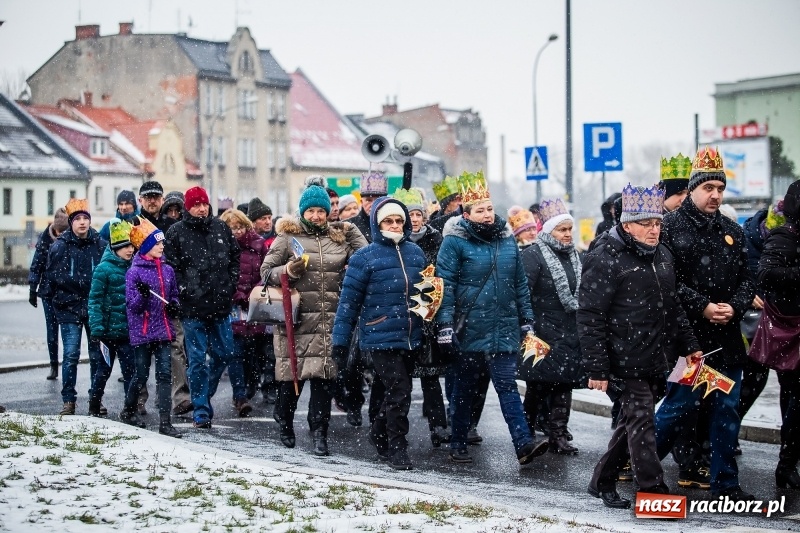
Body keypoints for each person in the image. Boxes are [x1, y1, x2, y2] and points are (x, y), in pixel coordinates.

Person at [579, 183, 701, 509]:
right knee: (643, 422)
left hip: (656, 354)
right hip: (623, 357)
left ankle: (602, 480)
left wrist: (689, 344)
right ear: (627, 223)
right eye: (646, 223)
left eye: (658, 222)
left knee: (633, 422)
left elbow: (673, 305)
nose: (654, 230)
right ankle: (652, 491)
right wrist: (597, 368)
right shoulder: (604, 257)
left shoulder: (662, 255)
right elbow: (590, 317)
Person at [655, 147, 757, 501]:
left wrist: (735, 306)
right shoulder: (668, 228)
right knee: (678, 407)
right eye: (708, 187)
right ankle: (645, 471)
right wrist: (704, 307)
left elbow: (749, 277)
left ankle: (726, 484)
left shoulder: (732, 230)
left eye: (719, 188)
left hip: (727, 341)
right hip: (691, 342)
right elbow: (666, 281)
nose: (715, 195)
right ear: (693, 188)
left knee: (727, 412)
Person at [436, 170, 547, 465]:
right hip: (469, 328)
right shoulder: (454, 242)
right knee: (464, 389)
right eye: (479, 210)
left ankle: (523, 444)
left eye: (489, 208)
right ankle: (458, 441)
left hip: (504, 326)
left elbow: (520, 283)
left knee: (507, 386)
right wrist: (445, 325)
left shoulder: (506, 240)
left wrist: (527, 319)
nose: (487, 215)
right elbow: (444, 285)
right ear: (466, 213)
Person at [260, 177, 368, 456]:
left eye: (321, 211)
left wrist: (351, 227)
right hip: (296, 319)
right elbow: (266, 272)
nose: (317, 216)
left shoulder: (339, 237)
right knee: (291, 380)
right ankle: (284, 420)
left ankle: (319, 431)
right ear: (302, 212)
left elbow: (366, 256)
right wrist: (288, 271)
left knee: (324, 381)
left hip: (330, 320)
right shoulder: (287, 238)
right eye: (311, 211)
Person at [332, 196, 425, 469]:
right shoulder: (364, 257)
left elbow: (427, 291)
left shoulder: (416, 253)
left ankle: (377, 431)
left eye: (399, 220)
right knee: (400, 389)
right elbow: (349, 302)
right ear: (377, 223)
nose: (394, 225)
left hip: (410, 333)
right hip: (379, 333)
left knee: (397, 391)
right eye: (388, 220)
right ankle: (398, 446)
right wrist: (340, 340)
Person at [164, 186, 240, 429]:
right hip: (192, 308)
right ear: (188, 207)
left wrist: (229, 284)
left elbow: (234, 257)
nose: (201, 208)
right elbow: (171, 267)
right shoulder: (176, 232)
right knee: (196, 360)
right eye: (196, 204)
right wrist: (184, 290)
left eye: (204, 204)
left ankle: (203, 395)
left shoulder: (221, 227)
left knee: (225, 353)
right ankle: (201, 411)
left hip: (220, 305)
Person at [520, 198, 582, 455]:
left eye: (569, 229)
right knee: (540, 383)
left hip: (568, 329)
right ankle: (526, 430)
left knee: (563, 382)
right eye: (561, 230)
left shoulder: (575, 255)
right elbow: (523, 292)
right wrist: (528, 325)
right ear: (548, 230)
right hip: (542, 330)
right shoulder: (533, 255)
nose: (567, 235)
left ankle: (558, 434)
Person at [392, 187, 450, 447]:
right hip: (400, 316)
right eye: (410, 214)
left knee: (429, 376)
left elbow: (439, 275)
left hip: (426, 317)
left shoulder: (436, 240)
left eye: (418, 214)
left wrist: (427, 304)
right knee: (398, 380)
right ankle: (391, 428)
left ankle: (438, 425)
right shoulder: (394, 242)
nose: (414, 219)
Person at [757, 179, 800, 489]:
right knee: (795, 401)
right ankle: (786, 465)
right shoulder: (784, 237)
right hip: (792, 333)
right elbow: (766, 274)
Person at [122, 218, 182, 438]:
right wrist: (143, 297)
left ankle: (165, 422)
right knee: (141, 375)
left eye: (162, 243)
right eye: (157, 243)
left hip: (163, 330)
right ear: (147, 245)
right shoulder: (134, 273)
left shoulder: (167, 270)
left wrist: (175, 305)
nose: (162, 246)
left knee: (165, 375)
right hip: (144, 331)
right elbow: (132, 307)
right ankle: (128, 410)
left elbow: (173, 294)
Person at [46, 199, 107, 416]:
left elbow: (105, 276)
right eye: (78, 219)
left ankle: (95, 398)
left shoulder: (100, 245)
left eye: (85, 218)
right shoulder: (60, 246)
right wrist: (59, 300)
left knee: (96, 355)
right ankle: (68, 401)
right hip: (68, 307)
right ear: (71, 222)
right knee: (71, 354)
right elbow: (51, 277)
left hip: (93, 307)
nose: (82, 223)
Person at [220, 208, 269, 417]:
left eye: (239, 227)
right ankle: (240, 395)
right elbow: (222, 274)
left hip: (255, 303)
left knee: (255, 351)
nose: (237, 232)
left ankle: (250, 387)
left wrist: (254, 292)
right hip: (233, 305)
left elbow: (267, 270)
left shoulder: (258, 245)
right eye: (232, 228)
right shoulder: (221, 247)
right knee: (235, 352)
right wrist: (236, 293)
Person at [87, 220, 136, 416]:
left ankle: (130, 409)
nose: (130, 250)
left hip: (127, 332)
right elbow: (95, 300)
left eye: (132, 245)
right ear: (116, 247)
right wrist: (96, 329)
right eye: (125, 246)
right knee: (103, 371)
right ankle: (94, 403)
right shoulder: (103, 269)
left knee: (130, 373)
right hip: (107, 332)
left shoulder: (133, 268)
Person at [28, 207, 69, 381]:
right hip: (48, 292)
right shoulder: (45, 239)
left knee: (68, 332)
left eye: (64, 231)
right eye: (59, 230)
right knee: (52, 332)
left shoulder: (70, 239)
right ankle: (54, 365)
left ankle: (68, 365)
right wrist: (32, 287)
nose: (61, 234)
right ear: (54, 226)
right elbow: (36, 263)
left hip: (68, 293)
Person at [350, 171, 387, 243]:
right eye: (369, 200)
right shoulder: (350, 226)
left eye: (378, 200)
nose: (373, 204)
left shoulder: (393, 224)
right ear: (361, 202)